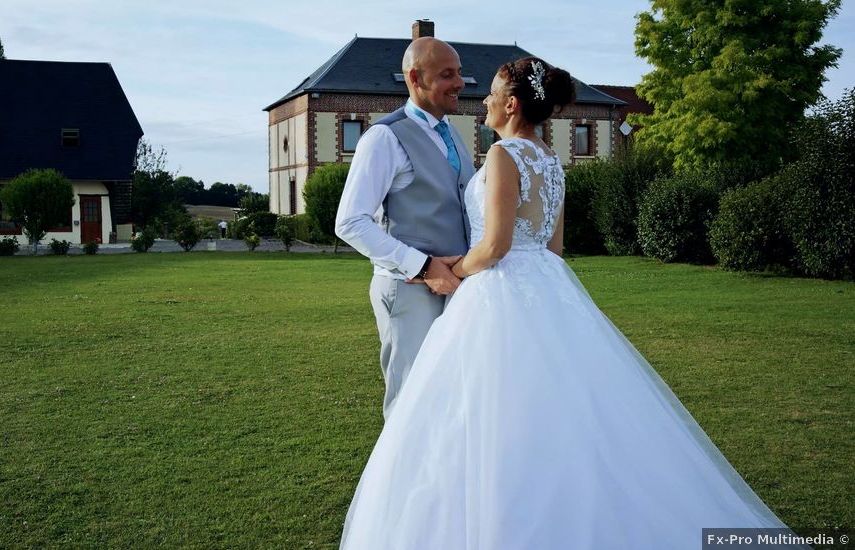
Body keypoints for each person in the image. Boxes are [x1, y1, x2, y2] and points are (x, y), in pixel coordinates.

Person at [339, 57, 802, 549]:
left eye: (493, 93)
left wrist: (453, 270)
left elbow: (494, 246)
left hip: (495, 288)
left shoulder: (502, 155)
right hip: (547, 284)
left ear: (512, 104)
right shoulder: (551, 160)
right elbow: (553, 246)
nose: (485, 101)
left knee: (479, 405)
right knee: (554, 401)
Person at [335, 37, 476, 418]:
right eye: (448, 74)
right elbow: (350, 222)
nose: (461, 82)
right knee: (411, 406)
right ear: (415, 78)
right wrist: (424, 266)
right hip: (409, 291)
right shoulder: (384, 137)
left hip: (457, 290)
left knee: (450, 402)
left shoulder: (453, 134)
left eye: (459, 72)